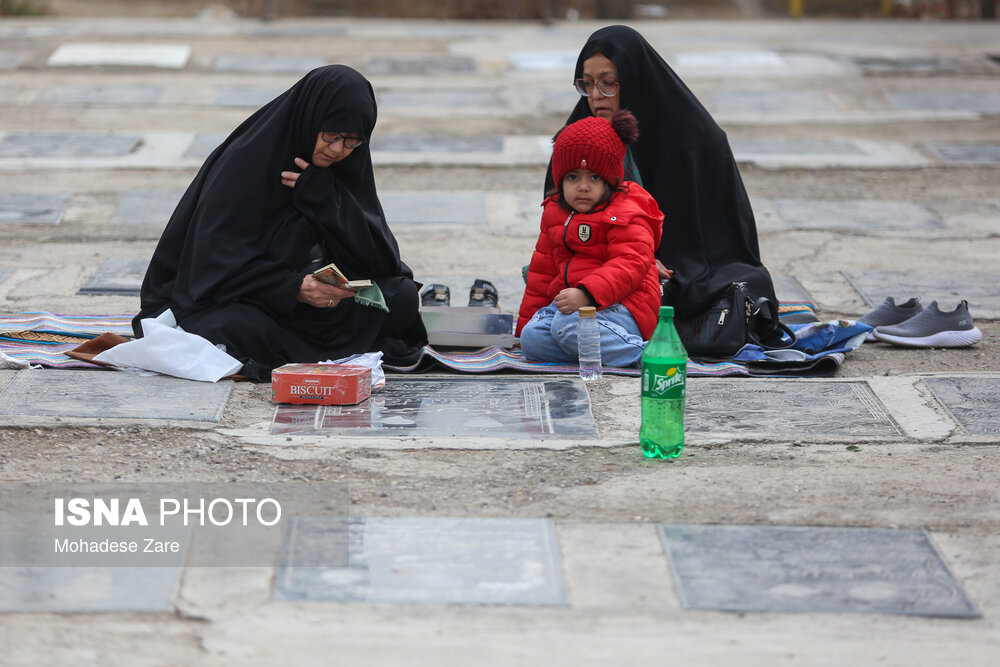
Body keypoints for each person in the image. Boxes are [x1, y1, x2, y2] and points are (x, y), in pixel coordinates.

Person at [132, 65, 426, 381]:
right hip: (246, 300)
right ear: (311, 118)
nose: (338, 149)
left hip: (316, 308)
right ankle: (321, 347)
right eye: (331, 134)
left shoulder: (344, 166)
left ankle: (309, 348)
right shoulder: (246, 164)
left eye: (352, 140)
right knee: (231, 328)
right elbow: (210, 269)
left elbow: (381, 261)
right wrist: (293, 288)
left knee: (403, 297)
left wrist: (327, 201)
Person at [545, 25, 779, 322]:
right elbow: (559, 223)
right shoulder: (580, 137)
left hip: (679, 265)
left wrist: (641, 260)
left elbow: (709, 241)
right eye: (587, 84)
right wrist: (629, 259)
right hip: (603, 260)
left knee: (719, 290)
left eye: (609, 83)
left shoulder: (693, 138)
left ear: (634, 80)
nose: (595, 96)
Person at [518, 110, 663, 368]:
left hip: (625, 305)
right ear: (560, 179)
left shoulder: (627, 209)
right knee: (533, 339)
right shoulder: (554, 211)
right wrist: (524, 324)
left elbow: (631, 263)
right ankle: (598, 351)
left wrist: (587, 294)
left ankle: (649, 356)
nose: (583, 187)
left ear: (610, 180)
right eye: (573, 177)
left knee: (568, 324)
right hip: (574, 306)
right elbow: (541, 274)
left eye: (594, 177)